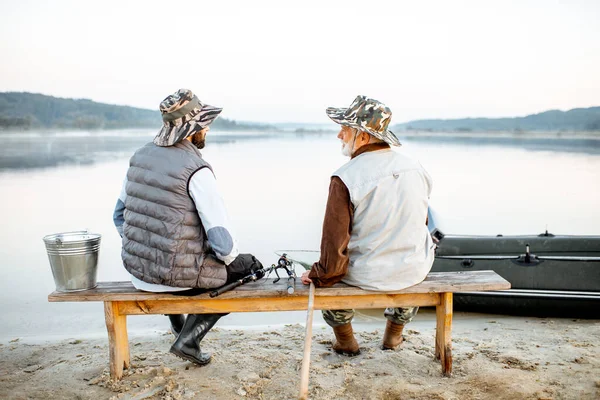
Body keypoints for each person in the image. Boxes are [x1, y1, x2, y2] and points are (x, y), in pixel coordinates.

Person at [113, 89, 262, 366]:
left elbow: (118, 216)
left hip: (139, 273)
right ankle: (189, 339)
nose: (208, 128)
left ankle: (177, 322)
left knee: (184, 255)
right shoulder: (197, 169)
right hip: (173, 280)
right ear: (193, 128)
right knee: (250, 267)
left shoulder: (139, 156)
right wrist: (228, 261)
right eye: (205, 123)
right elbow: (224, 246)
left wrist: (150, 248)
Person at [300, 95, 435, 356]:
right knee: (414, 257)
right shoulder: (416, 168)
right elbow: (423, 221)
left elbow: (334, 245)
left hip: (367, 274)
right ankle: (394, 336)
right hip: (413, 269)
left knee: (328, 273)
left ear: (362, 137)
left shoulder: (346, 177)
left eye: (345, 129)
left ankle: (346, 340)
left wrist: (317, 274)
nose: (340, 135)